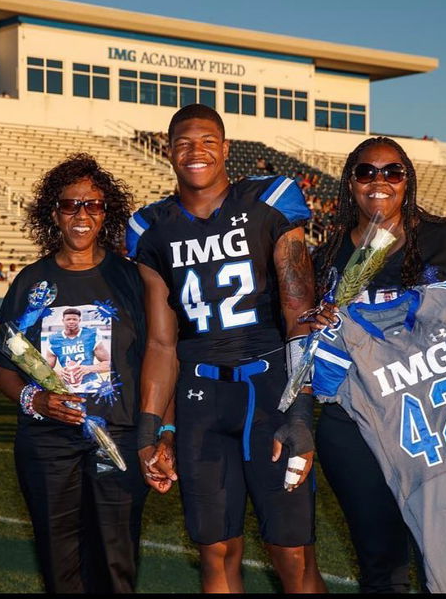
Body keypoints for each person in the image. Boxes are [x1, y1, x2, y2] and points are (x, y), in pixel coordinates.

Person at [126, 104, 326, 593]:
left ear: (226, 148)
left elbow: (300, 313)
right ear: (168, 149)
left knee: (293, 553)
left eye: (207, 140)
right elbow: (160, 340)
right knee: (215, 550)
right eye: (184, 142)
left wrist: (300, 412)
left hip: (270, 388)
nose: (197, 151)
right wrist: (152, 428)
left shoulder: (271, 201)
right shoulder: (151, 227)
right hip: (201, 400)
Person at [310, 136, 446, 593]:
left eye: (392, 172)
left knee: (442, 555)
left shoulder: (443, 239)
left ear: (408, 180)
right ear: (350, 183)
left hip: (437, 421)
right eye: (366, 172)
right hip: (356, 423)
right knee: (379, 562)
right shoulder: (328, 256)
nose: (379, 181)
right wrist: (319, 320)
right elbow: (310, 350)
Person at [0, 153, 159, 593]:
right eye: (70, 205)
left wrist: (160, 431)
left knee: (116, 564)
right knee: (60, 565)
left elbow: (161, 355)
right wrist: (36, 400)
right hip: (47, 443)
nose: (82, 214)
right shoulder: (30, 281)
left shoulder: (133, 279)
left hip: (115, 437)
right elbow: (3, 370)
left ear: (107, 212)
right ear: (54, 213)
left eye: (93, 205)